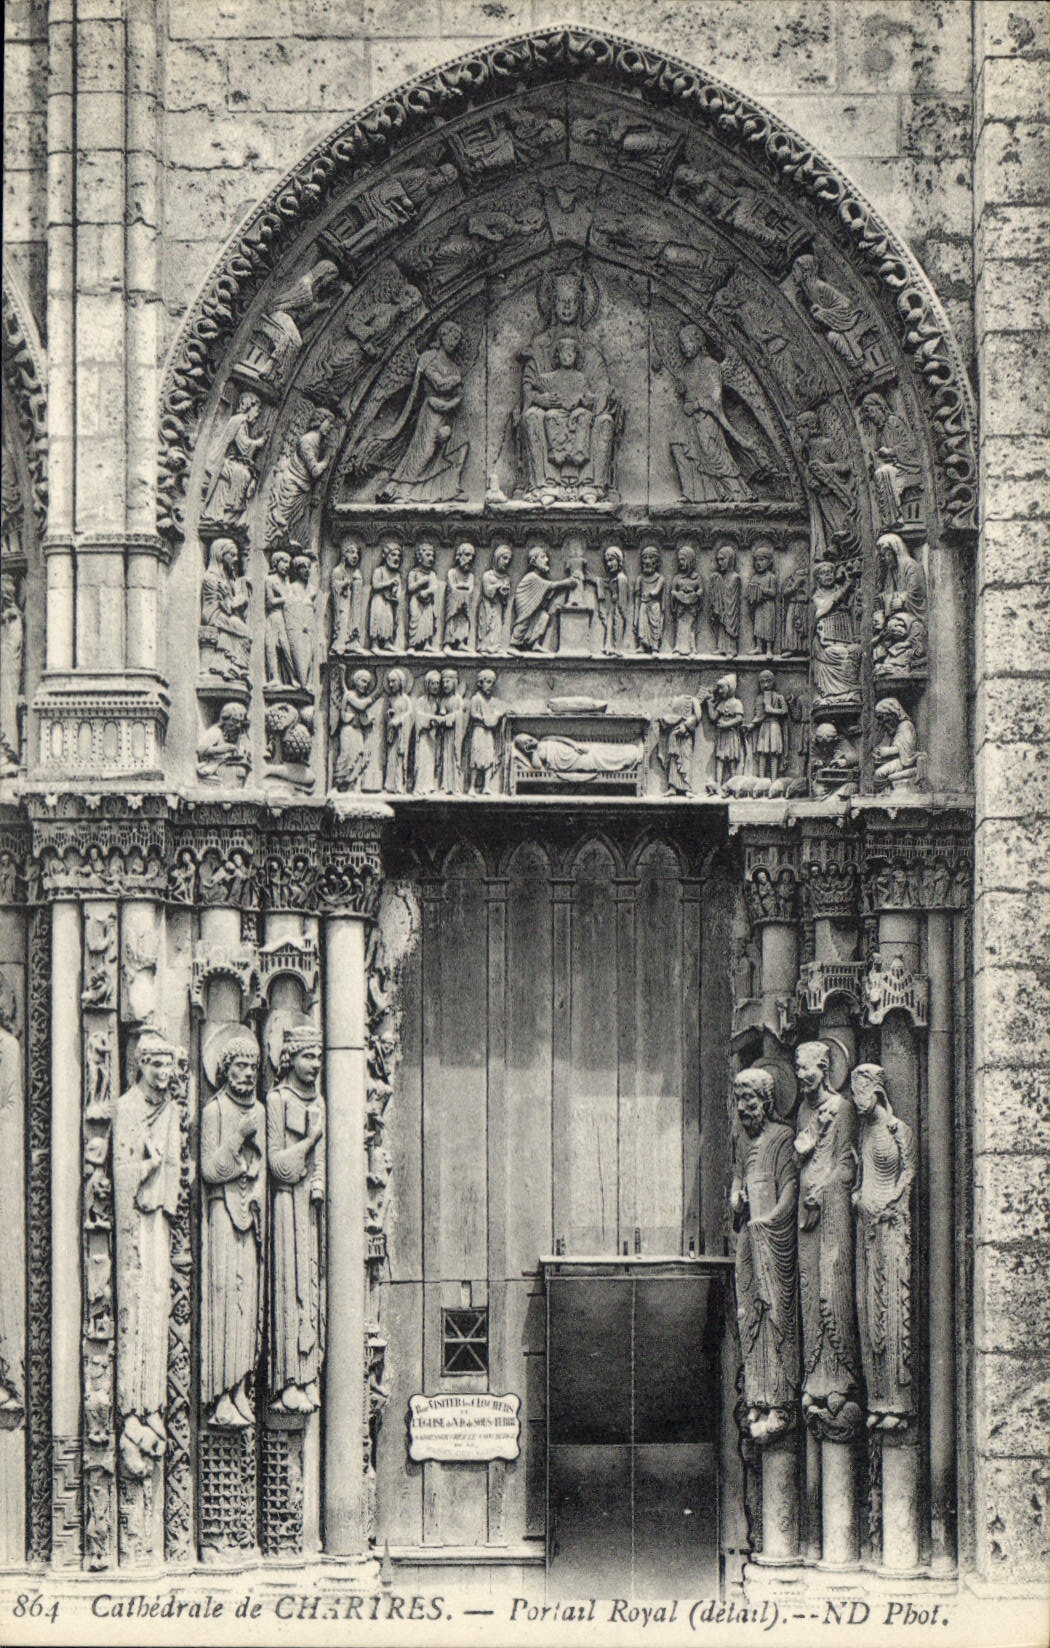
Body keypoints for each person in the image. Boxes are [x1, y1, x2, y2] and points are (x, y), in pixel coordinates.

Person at [113, 1032, 182, 1471]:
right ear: (140, 1065)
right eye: (156, 1064)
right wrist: (150, 1165)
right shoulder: (126, 1108)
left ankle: (152, 1407)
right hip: (133, 1229)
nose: (164, 1073)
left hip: (160, 1224)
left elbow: (176, 1171)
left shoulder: (172, 1110)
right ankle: (130, 1415)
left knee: (157, 1311)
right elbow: (121, 1178)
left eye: (169, 1065)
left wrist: (165, 1173)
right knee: (134, 1315)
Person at [794, 1041, 862, 1436]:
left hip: (833, 1216)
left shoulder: (843, 1109)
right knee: (809, 1288)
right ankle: (815, 1377)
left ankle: (840, 1377)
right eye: (797, 1069)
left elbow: (846, 1164)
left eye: (808, 1069)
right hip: (808, 1216)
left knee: (832, 1285)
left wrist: (824, 1190)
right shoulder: (805, 1111)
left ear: (825, 1067)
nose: (802, 1076)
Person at [730, 1068, 800, 1443]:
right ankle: (757, 1394)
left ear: (767, 1102)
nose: (744, 1109)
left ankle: (780, 1400)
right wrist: (735, 1197)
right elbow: (738, 1180)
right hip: (749, 1232)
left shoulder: (783, 1137)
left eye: (750, 1102)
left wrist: (770, 1220)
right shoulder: (742, 1141)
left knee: (775, 1312)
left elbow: (790, 1186)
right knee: (747, 1310)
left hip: (772, 1236)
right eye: (740, 1102)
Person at [200, 1034, 266, 1430]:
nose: (248, 1074)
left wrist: (258, 1188)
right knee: (225, 1297)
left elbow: (262, 1166)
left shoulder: (259, 1108)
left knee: (247, 1302)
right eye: (240, 1066)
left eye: (254, 1067)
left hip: (250, 1217)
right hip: (222, 1216)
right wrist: (239, 1136)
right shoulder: (215, 1110)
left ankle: (241, 1387)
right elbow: (210, 1170)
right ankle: (221, 1394)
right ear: (225, 1069)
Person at [851, 1064, 917, 1431]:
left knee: (891, 1310)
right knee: (867, 1309)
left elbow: (908, 1173)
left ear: (875, 1090)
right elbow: (861, 1180)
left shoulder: (898, 1129)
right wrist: (859, 1197)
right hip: (867, 1229)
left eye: (860, 1092)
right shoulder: (864, 1131)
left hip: (891, 1229)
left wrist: (889, 1201)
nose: (856, 1100)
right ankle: (878, 1398)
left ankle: (898, 1400)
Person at [267, 1028, 325, 1415]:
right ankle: (286, 1378)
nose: (316, 1065)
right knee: (289, 1285)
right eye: (308, 1056)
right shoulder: (276, 1099)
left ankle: (308, 1374)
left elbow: (316, 1163)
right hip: (285, 1203)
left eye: (320, 1057)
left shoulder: (317, 1099)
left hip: (307, 1203)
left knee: (310, 1283)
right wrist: (309, 1142)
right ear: (289, 1058)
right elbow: (278, 1164)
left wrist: (318, 1177)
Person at [375, 322, 468, 504]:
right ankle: (400, 490)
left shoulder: (454, 366)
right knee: (424, 450)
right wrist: (453, 383)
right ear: (442, 335)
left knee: (460, 447)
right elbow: (438, 383)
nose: (455, 343)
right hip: (430, 411)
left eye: (458, 340)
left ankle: (447, 488)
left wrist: (448, 406)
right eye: (452, 337)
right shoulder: (428, 357)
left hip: (447, 414)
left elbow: (459, 395)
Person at [200, 538, 251, 683]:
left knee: (241, 630)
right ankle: (234, 667)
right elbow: (220, 607)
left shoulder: (227, 579)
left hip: (224, 614)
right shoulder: (211, 578)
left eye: (236, 555)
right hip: (213, 615)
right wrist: (238, 601)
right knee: (245, 632)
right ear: (220, 555)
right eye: (232, 555)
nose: (235, 559)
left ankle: (234, 668)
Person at [509, 545, 574, 650]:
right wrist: (566, 582)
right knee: (524, 620)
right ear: (534, 561)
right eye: (543, 557)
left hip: (532, 606)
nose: (547, 560)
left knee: (543, 616)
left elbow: (546, 589)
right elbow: (550, 585)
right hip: (525, 604)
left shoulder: (537, 578)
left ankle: (534, 643)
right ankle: (513, 644)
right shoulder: (532, 577)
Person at [332, 667, 384, 792]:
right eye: (363, 681)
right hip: (348, 731)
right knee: (345, 756)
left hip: (358, 732)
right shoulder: (349, 695)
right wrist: (377, 691)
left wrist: (368, 720)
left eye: (367, 682)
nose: (365, 685)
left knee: (358, 756)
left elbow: (362, 716)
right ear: (356, 681)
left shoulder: (358, 697)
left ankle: (351, 784)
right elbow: (361, 706)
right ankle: (339, 783)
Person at [704, 674, 746, 791]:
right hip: (723, 736)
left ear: (730, 688)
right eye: (718, 688)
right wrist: (708, 703)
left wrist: (727, 724)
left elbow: (739, 719)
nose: (719, 691)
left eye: (722, 688)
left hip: (732, 735)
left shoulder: (736, 703)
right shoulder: (722, 703)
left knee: (732, 760)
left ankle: (733, 784)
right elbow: (713, 718)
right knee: (720, 759)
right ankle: (718, 783)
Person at [466, 669, 504, 794]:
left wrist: (497, 716)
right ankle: (472, 787)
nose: (490, 686)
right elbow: (473, 714)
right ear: (480, 683)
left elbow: (496, 713)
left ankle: (486, 787)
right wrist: (486, 719)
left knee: (489, 758)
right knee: (476, 758)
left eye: (492, 683)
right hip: (479, 731)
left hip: (488, 733)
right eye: (487, 682)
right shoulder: (476, 699)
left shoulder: (491, 701)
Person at [873, 697, 920, 791]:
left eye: (882, 717)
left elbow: (907, 750)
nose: (881, 722)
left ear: (891, 714)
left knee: (878, 774)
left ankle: (887, 793)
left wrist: (888, 751)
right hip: (900, 760)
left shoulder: (905, 725)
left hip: (906, 762)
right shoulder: (894, 727)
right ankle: (887, 791)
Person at [749, 670, 789, 781]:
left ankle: (773, 780)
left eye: (768, 681)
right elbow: (759, 715)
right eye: (762, 682)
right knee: (762, 753)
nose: (766, 685)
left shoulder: (779, 697)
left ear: (773, 682)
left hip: (774, 726)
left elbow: (784, 711)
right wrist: (752, 724)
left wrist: (771, 710)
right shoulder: (759, 698)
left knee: (774, 753)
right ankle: (762, 780)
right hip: (764, 727)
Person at [329, 537, 366, 653]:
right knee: (343, 620)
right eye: (351, 552)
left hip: (353, 603)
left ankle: (352, 643)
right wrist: (345, 583)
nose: (355, 556)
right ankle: (338, 644)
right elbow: (335, 587)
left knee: (355, 619)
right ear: (344, 555)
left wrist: (356, 582)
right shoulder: (338, 571)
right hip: (343, 603)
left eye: (357, 553)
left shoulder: (356, 572)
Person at [476, 545, 513, 653]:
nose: (507, 562)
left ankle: (495, 647)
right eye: (504, 558)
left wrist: (503, 592)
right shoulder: (488, 575)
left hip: (498, 606)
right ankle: (484, 646)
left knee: (497, 626)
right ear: (497, 558)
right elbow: (487, 592)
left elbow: (505, 596)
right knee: (486, 625)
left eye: (509, 560)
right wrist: (498, 586)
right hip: (487, 605)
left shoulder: (506, 578)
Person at [368, 538, 403, 650]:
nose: (396, 558)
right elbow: (375, 585)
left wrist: (395, 594)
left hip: (389, 602)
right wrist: (389, 583)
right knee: (377, 620)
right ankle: (374, 643)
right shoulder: (379, 571)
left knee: (389, 620)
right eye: (393, 555)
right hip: (378, 600)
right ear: (385, 556)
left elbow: (399, 591)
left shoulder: (397, 575)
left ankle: (387, 642)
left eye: (398, 556)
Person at [406, 540, 440, 651]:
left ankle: (426, 644)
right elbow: (410, 588)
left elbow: (435, 587)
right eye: (428, 555)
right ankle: (412, 645)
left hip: (428, 602)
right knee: (415, 620)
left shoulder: (432, 574)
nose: (431, 558)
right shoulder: (413, 573)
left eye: (433, 556)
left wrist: (427, 591)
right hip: (415, 601)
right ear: (420, 557)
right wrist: (420, 582)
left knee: (427, 622)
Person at [708, 542, 742, 655]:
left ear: (730, 559)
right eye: (718, 560)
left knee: (729, 624)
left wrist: (718, 582)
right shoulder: (722, 576)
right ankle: (721, 647)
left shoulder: (735, 577)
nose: (720, 563)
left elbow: (731, 596)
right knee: (722, 626)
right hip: (724, 608)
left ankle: (732, 649)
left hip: (731, 609)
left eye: (723, 559)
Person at [442, 541, 476, 650]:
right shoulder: (452, 572)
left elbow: (470, 590)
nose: (470, 559)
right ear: (459, 556)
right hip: (454, 604)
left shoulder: (470, 576)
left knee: (464, 621)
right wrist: (462, 587)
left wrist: (461, 588)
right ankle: (448, 642)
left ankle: (461, 642)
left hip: (464, 605)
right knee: (451, 619)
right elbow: (452, 588)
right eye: (467, 555)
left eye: (472, 556)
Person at [669, 544, 702, 656]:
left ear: (690, 560)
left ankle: (692, 648)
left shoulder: (697, 578)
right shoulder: (677, 578)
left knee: (691, 628)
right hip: (681, 608)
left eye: (683, 560)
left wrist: (694, 594)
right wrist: (679, 594)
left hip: (691, 608)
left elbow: (700, 591)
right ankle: (678, 648)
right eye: (679, 560)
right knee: (680, 628)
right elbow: (672, 592)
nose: (680, 563)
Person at [633, 545, 666, 654]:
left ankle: (655, 647)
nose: (647, 561)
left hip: (654, 605)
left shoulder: (659, 578)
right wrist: (635, 618)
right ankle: (642, 645)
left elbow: (656, 591)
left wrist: (652, 593)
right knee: (642, 625)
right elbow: (637, 597)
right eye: (645, 558)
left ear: (656, 562)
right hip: (643, 605)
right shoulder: (640, 578)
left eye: (651, 558)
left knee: (654, 625)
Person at [598, 545, 631, 655]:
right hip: (613, 607)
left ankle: (618, 648)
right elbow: (603, 582)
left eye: (611, 560)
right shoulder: (614, 578)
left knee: (617, 626)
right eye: (607, 561)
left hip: (618, 608)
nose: (609, 564)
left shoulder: (621, 578)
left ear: (619, 560)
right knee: (610, 626)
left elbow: (623, 600)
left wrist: (623, 613)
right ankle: (610, 647)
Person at [746, 544, 778, 655]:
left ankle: (769, 649)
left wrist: (762, 590)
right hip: (758, 606)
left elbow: (773, 592)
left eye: (762, 560)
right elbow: (749, 592)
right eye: (756, 560)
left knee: (768, 627)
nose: (758, 563)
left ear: (769, 562)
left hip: (768, 606)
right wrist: (751, 592)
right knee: (758, 626)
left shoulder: (771, 577)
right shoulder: (754, 577)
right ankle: (759, 647)